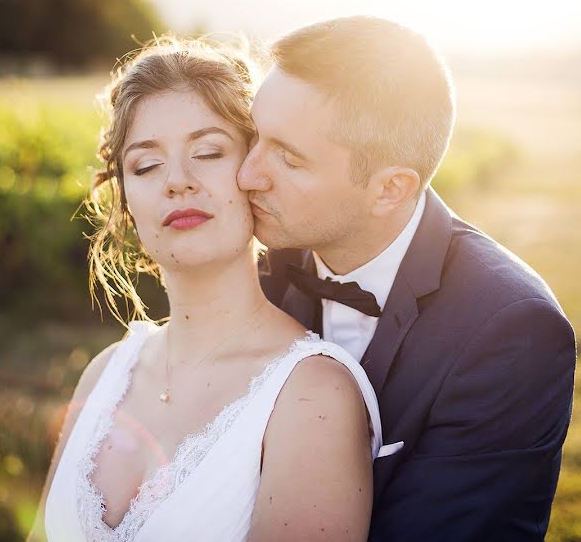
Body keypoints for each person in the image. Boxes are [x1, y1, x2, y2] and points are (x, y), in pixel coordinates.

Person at [30, 37, 385, 542]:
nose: (177, 180)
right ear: (127, 199)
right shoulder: (104, 374)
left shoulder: (311, 396)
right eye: (146, 165)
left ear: (255, 173)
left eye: (209, 152)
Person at [240, 16, 577, 540]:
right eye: (253, 135)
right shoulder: (250, 269)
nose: (247, 175)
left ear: (390, 190)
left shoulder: (511, 331)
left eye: (288, 158)